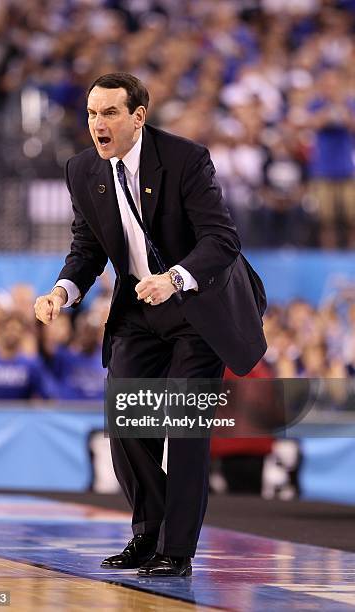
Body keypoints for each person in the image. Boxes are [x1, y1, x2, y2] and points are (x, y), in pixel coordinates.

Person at [34, 72, 267, 577]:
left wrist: (174, 279)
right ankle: (148, 534)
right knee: (127, 423)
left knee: (182, 430)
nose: (98, 123)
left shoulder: (185, 159)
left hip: (199, 307)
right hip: (139, 310)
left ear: (138, 117)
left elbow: (221, 240)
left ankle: (176, 550)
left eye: (110, 113)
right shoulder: (81, 170)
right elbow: (87, 249)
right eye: (92, 113)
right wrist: (61, 291)